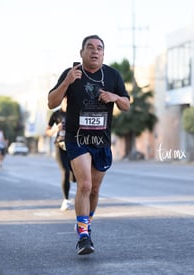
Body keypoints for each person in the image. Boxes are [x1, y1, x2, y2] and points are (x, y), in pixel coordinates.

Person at [47, 34, 130, 255]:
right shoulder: (71, 73)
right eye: (90, 47)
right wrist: (67, 82)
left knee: (94, 190)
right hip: (77, 139)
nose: (95, 51)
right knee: (84, 185)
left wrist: (115, 97)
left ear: (103, 53)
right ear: (81, 52)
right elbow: (51, 102)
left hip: (101, 141)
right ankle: (83, 237)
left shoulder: (113, 75)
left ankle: (85, 224)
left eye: (99, 48)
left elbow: (126, 105)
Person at [46, 97, 75, 211]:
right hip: (60, 145)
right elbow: (47, 131)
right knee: (65, 171)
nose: (68, 104)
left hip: (73, 146)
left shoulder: (75, 112)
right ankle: (66, 200)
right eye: (66, 101)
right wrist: (55, 130)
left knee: (75, 175)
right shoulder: (56, 114)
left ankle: (73, 177)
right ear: (62, 101)